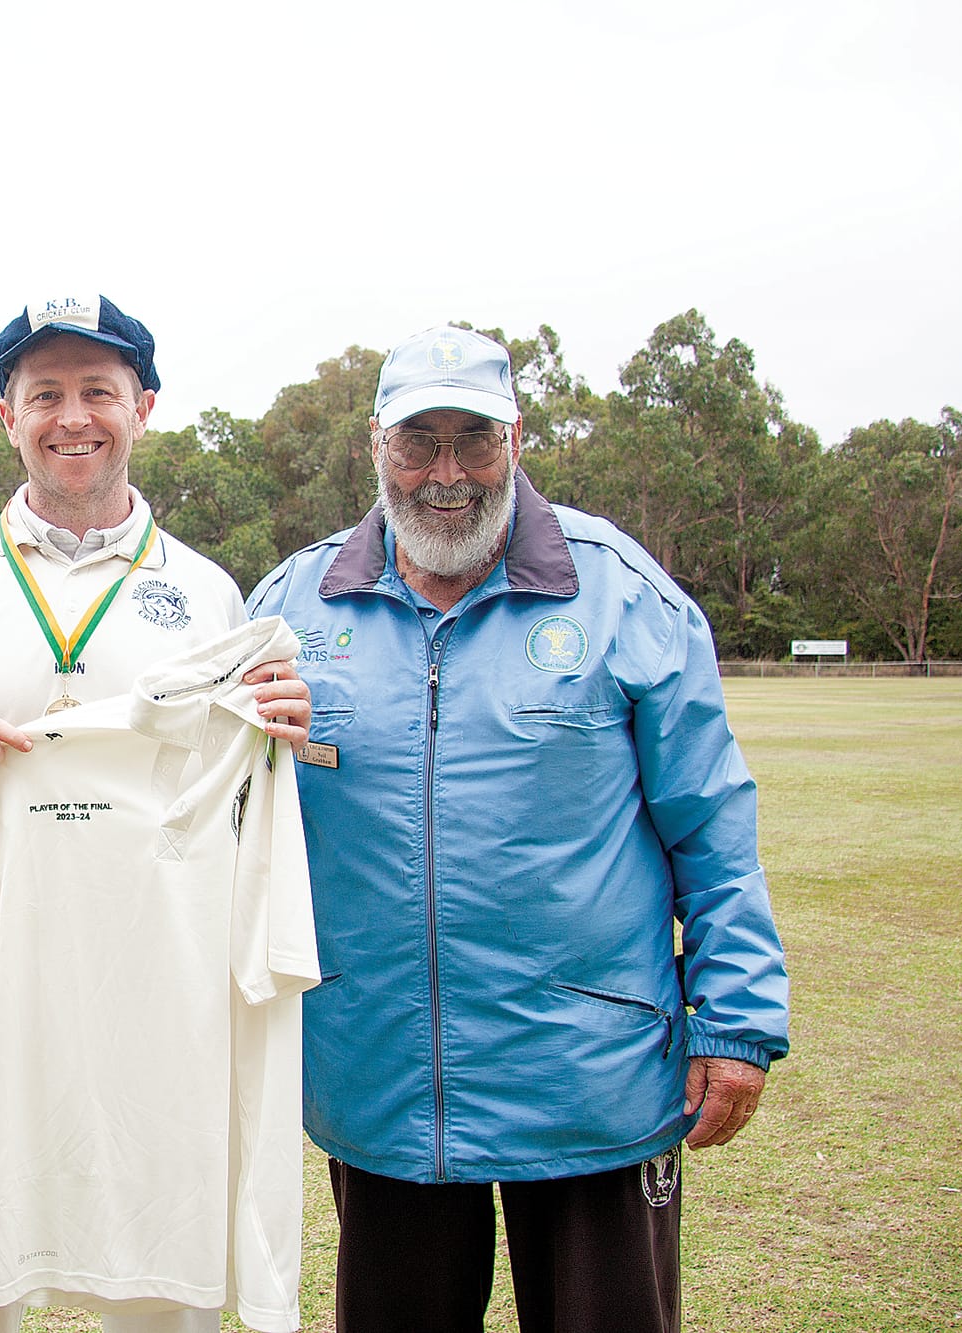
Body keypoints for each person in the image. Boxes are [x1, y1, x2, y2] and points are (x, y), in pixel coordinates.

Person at [248, 325, 791, 1332]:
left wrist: (734, 1020)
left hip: (589, 1078)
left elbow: (710, 826)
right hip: (379, 1080)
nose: (444, 472)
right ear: (375, 444)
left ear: (516, 439)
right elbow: (233, 823)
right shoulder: (291, 603)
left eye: (474, 439)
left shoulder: (622, 594)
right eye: (418, 439)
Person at [0, 294, 312, 1333]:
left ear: (141, 405)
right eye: (42, 392)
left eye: (97, 391)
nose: (71, 417)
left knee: (155, 1246)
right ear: (5, 414)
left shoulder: (205, 594)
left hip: (151, 972)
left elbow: (243, 800)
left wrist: (281, 731)